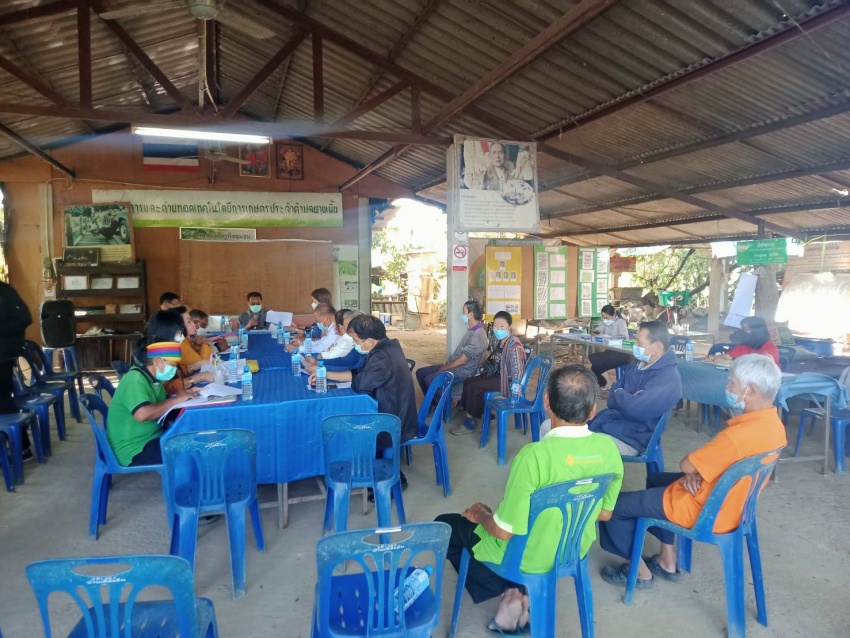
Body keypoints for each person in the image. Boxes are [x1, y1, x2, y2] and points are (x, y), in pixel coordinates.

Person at [436, 364, 624, 633]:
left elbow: (503, 532)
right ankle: (516, 596)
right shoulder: (608, 449)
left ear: (546, 402)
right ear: (593, 410)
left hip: (526, 557)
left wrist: (481, 515)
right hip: (572, 551)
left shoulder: (533, 456)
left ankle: (512, 596)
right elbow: (604, 514)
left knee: (446, 524)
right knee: (521, 526)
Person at [597, 354, 786, 588]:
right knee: (656, 479)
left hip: (706, 509)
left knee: (614, 507)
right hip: (733, 503)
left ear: (752, 391)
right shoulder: (775, 427)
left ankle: (638, 571)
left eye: (732, 384)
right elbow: (717, 465)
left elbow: (687, 465)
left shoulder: (738, 437)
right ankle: (667, 559)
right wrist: (696, 473)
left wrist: (693, 471)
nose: (727, 388)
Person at [309, 315, 417, 490]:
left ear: (370, 341)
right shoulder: (384, 347)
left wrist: (330, 374)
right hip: (393, 407)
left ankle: (391, 476)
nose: (355, 344)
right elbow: (359, 373)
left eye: (356, 341)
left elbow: (360, 384)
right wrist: (325, 374)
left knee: (350, 426)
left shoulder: (382, 356)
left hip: (392, 418)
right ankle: (368, 467)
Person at [106, 311, 199, 466]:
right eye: (172, 365)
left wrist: (183, 396)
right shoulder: (135, 379)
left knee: (193, 438)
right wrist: (175, 400)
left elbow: (163, 404)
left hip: (152, 437)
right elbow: (142, 414)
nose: (173, 369)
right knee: (191, 451)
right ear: (158, 361)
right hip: (134, 449)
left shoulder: (154, 379)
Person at [588, 320, 681, 456]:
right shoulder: (639, 365)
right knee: (564, 435)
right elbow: (611, 400)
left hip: (635, 437)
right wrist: (623, 396)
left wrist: (619, 393)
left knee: (583, 448)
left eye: (639, 342)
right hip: (616, 425)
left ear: (657, 347)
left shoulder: (667, 377)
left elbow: (634, 409)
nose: (635, 346)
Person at [452, 311, 527, 436]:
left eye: (502, 326)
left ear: (509, 327)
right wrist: (481, 371)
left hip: (505, 380)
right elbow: (493, 360)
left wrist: (516, 387)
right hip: (495, 374)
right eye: (495, 326)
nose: (498, 329)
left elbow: (518, 369)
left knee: (473, 386)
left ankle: (470, 423)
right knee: (469, 381)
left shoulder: (514, 346)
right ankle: (480, 411)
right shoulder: (500, 340)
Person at [415, 300, 488, 399]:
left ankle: (445, 404)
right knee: (420, 373)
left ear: (470, 315)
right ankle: (433, 402)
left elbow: (462, 360)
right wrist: (447, 365)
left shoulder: (477, 335)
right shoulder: (472, 330)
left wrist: (445, 368)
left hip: (464, 370)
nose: (462, 314)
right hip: (455, 365)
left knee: (430, 380)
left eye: (464, 312)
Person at [0, 280, 33, 459]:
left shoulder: (5, 292)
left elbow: (25, 318)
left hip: (4, 355)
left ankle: (21, 448)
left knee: (3, 401)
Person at [588, 304, 631, 391]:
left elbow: (622, 336)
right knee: (594, 362)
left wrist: (609, 337)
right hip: (610, 351)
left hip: (622, 353)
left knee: (595, 360)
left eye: (607, 317)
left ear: (613, 315)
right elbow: (598, 330)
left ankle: (609, 382)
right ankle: (602, 384)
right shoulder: (605, 322)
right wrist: (596, 333)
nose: (605, 319)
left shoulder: (621, 322)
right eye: (603, 317)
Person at [708, 316, 780, 366]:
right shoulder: (744, 345)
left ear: (757, 331)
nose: (743, 332)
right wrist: (713, 358)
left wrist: (730, 362)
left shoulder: (769, 347)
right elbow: (727, 356)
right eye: (742, 329)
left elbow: (757, 367)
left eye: (746, 329)